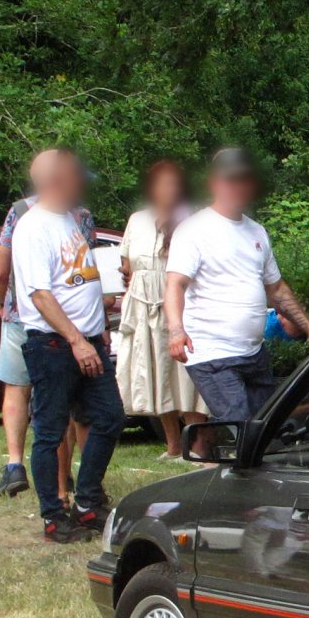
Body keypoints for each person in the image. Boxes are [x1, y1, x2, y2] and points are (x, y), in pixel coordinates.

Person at [10, 149, 126, 542]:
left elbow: (77, 280)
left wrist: (99, 325)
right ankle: (54, 517)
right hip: (56, 346)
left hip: (88, 340)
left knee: (110, 416)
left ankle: (88, 502)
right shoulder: (33, 227)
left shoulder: (71, 222)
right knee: (51, 430)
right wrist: (77, 340)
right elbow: (40, 295)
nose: (83, 185)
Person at [164, 147, 309, 421]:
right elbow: (174, 285)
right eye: (230, 179)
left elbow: (276, 290)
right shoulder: (194, 229)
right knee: (243, 426)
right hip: (212, 353)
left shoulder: (256, 231)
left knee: (268, 428)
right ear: (214, 183)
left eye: (243, 179)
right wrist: (176, 331)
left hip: (253, 353)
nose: (237, 186)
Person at [0, 153, 97, 499]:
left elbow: (1, 271)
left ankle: (14, 463)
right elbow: (83, 271)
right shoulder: (81, 217)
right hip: (64, 319)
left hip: (25, 314)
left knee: (17, 389)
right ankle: (66, 484)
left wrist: (7, 304)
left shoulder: (19, 212)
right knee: (63, 406)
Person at [116, 160, 208, 458]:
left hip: (179, 306)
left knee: (186, 377)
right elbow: (127, 265)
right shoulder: (137, 220)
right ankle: (172, 445)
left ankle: (197, 445)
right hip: (143, 308)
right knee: (157, 375)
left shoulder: (191, 220)